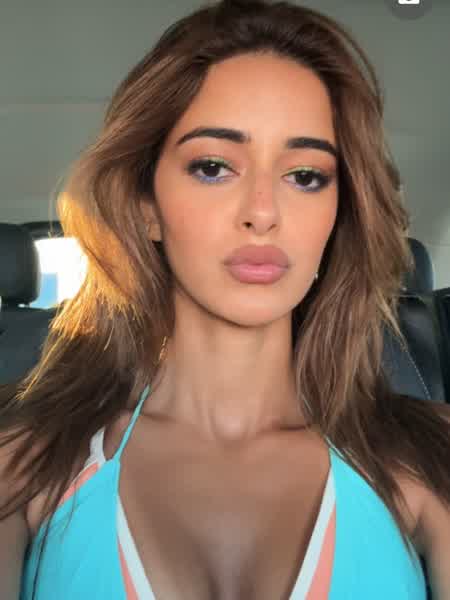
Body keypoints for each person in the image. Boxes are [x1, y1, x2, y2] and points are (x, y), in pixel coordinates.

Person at [1, 0, 449, 598]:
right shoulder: (24, 459)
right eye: (213, 167)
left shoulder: (430, 456)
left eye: (305, 176)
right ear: (146, 206)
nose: (263, 212)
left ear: (338, 214)